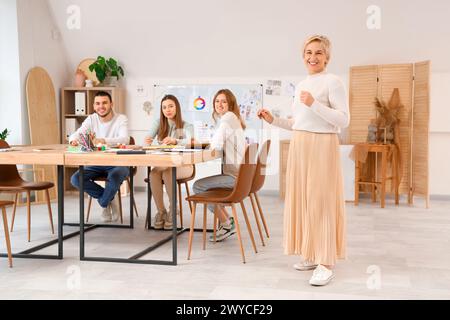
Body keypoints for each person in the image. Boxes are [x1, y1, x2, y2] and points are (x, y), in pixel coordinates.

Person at [258, 35, 349, 286]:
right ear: (303, 56)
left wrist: (315, 104)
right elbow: (298, 122)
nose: (313, 57)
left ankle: (326, 262)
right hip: (300, 144)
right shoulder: (301, 86)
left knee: (321, 200)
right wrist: (273, 120)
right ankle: (312, 253)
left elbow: (343, 120)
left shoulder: (333, 82)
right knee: (304, 199)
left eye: (319, 52)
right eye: (309, 52)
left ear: (327, 57)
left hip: (323, 145)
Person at [193, 89, 246, 242]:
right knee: (203, 187)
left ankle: (226, 223)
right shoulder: (232, 118)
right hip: (241, 176)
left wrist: (203, 146)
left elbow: (216, 144)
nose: (219, 104)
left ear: (230, 104)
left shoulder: (228, 117)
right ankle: (227, 222)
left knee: (198, 187)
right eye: (217, 101)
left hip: (235, 176)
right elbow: (218, 142)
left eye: (224, 101)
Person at [70, 91, 129, 223]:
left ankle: (103, 202)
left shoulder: (121, 119)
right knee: (75, 179)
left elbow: (125, 139)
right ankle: (109, 199)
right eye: (97, 103)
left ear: (111, 104)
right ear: (93, 106)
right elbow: (76, 134)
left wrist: (103, 140)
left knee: (114, 177)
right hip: (95, 163)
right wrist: (73, 141)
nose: (101, 106)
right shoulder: (91, 119)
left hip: (117, 162)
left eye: (104, 103)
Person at [144, 95, 194, 230]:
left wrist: (175, 140)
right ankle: (161, 211)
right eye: (164, 107)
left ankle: (173, 209)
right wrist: (148, 141)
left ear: (177, 107)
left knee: (168, 171)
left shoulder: (186, 125)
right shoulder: (159, 123)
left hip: (184, 165)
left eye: (171, 106)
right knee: (154, 173)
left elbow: (191, 141)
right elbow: (149, 138)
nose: (168, 110)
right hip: (164, 162)